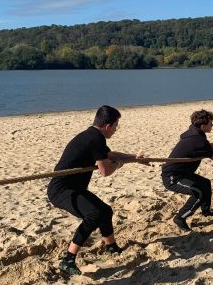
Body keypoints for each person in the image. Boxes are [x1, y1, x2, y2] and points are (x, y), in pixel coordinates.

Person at [47, 105, 143, 275]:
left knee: (105, 211)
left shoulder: (92, 136)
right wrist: (121, 164)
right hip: (61, 190)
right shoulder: (95, 139)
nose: (116, 130)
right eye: (116, 126)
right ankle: (68, 259)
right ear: (108, 126)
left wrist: (134, 158)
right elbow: (105, 171)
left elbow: (111, 155)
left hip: (73, 188)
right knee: (94, 215)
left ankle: (111, 247)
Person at [162, 110, 213, 232]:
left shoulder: (194, 133)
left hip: (184, 173)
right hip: (173, 177)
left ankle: (206, 211)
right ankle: (180, 218)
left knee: (206, 183)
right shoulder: (198, 140)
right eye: (211, 123)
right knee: (198, 193)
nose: (212, 125)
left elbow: (209, 145)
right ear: (203, 126)